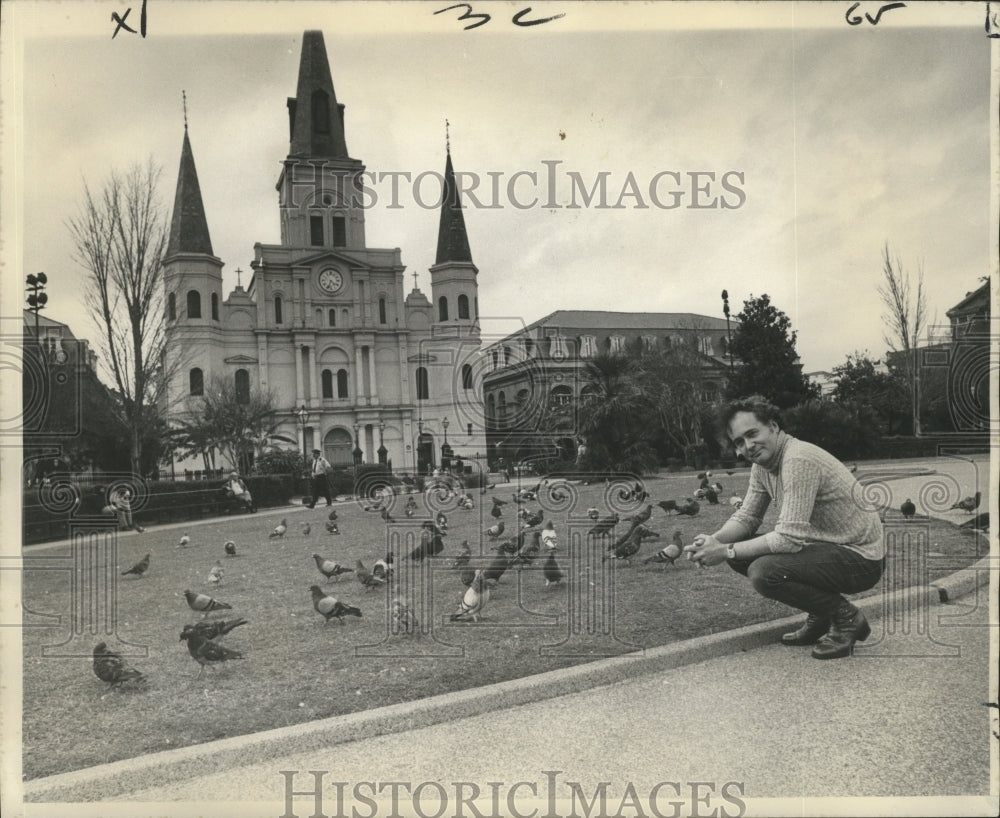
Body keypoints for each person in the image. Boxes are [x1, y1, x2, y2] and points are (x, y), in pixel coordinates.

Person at [685, 395, 884, 660]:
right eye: (739, 442)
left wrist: (724, 551)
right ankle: (822, 613)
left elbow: (788, 539)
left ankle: (846, 618)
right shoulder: (763, 465)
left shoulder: (798, 459)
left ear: (774, 426)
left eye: (752, 433)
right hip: (827, 549)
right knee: (742, 557)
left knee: (763, 570)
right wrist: (713, 541)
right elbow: (747, 517)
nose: (748, 446)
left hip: (862, 559)